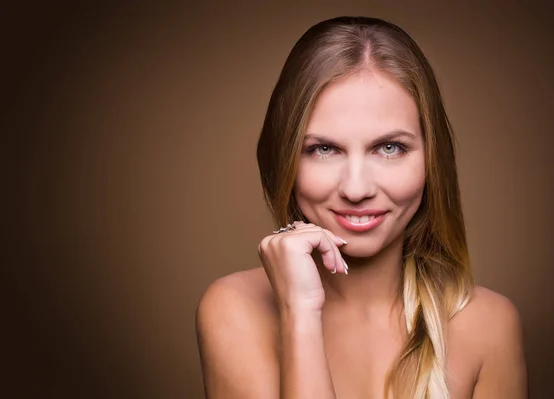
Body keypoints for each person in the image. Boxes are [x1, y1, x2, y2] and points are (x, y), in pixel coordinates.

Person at [195, 16, 528, 399]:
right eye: (324, 149)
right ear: (284, 157)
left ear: (431, 160)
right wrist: (299, 312)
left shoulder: (490, 325)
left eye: (389, 148)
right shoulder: (234, 310)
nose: (356, 189)